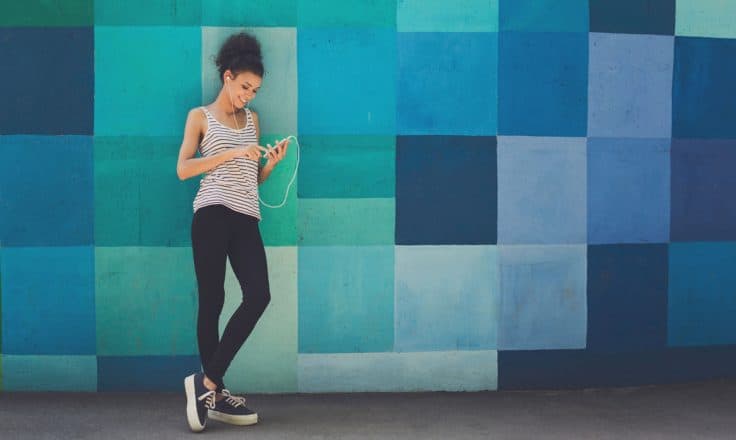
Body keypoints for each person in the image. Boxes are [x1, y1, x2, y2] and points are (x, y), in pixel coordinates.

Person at [176, 31, 289, 433]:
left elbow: (249, 179)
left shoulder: (253, 121)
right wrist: (230, 152)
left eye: (255, 90)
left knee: (259, 295)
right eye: (244, 87)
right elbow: (184, 168)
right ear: (227, 77)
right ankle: (218, 395)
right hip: (210, 212)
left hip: (245, 216)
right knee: (213, 299)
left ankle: (205, 384)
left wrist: (269, 166)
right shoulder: (200, 117)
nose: (249, 95)